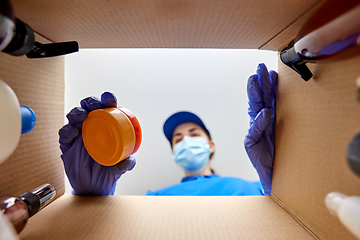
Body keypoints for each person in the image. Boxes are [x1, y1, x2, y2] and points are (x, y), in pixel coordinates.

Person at [58, 63, 277, 196]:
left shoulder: (253, 188)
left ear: (211, 145)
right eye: (178, 139)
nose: (186, 141)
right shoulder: (156, 198)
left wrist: (278, 182)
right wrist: (89, 199)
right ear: (174, 154)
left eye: (193, 134)